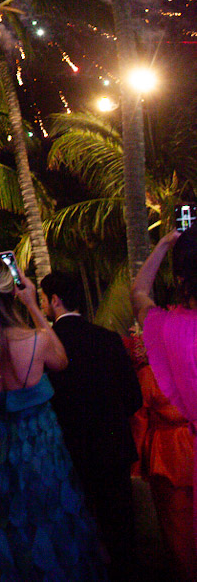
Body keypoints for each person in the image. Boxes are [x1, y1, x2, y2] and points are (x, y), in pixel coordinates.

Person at [0, 257, 107, 582]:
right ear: (12, 292)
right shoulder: (34, 340)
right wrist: (34, 305)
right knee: (49, 522)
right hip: (37, 445)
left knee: (4, 524)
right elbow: (62, 361)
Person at [41, 270, 142, 580]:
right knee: (120, 537)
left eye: (42, 300)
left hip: (69, 454)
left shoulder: (48, 346)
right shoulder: (108, 340)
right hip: (113, 450)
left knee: (77, 537)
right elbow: (134, 399)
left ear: (54, 301)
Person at [131, 226, 197, 560]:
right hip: (180, 449)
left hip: (179, 455)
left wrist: (164, 244)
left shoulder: (167, 326)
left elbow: (140, 291)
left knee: (184, 548)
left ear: (182, 277)